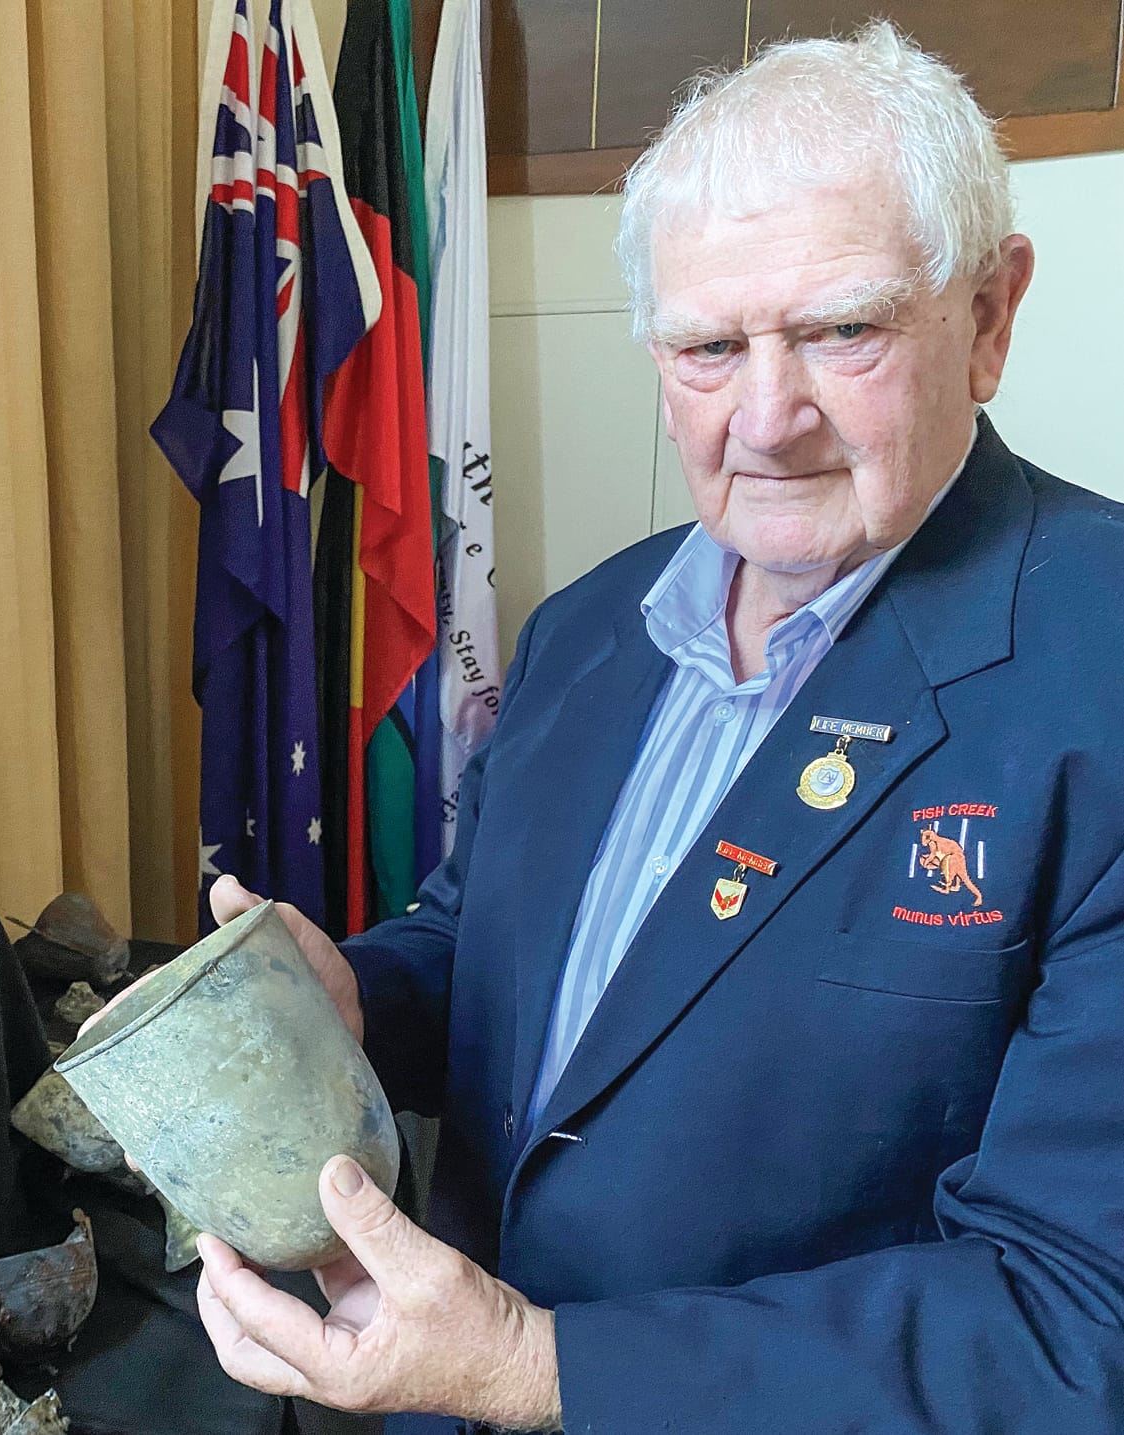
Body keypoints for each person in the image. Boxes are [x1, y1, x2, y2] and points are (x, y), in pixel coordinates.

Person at [186, 23, 1124, 1433]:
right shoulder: (586, 629)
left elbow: (1077, 1320)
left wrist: (532, 1367)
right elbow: (489, 946)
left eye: (840, 331)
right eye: (703, 346)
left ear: (988, 317)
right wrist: (356, 1001)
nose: (765, 417)